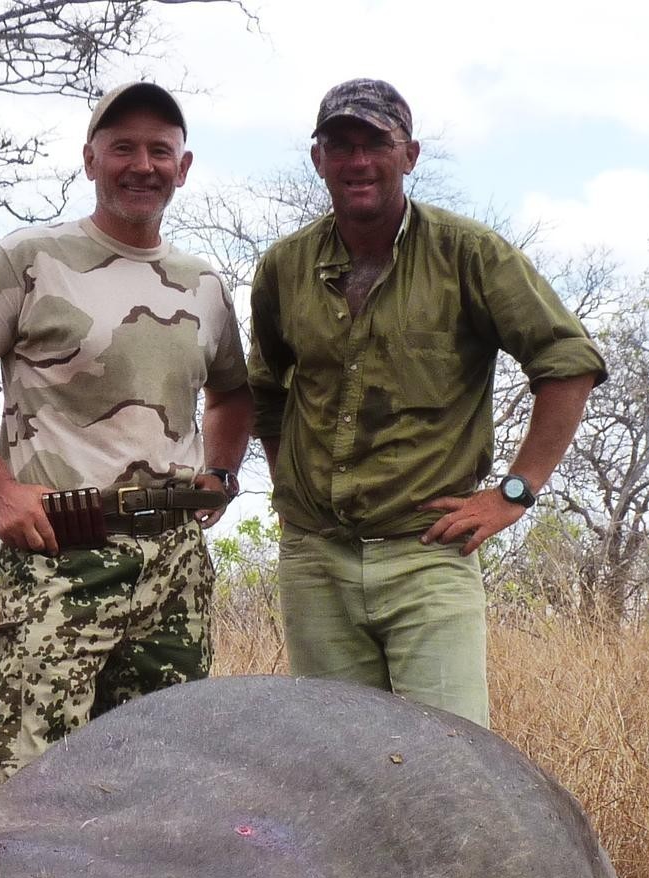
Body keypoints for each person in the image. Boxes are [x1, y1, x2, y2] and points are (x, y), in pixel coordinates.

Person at [0, 81, 254, 782]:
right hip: (63, 550)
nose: (143, 165)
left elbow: (231, 390)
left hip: (175, 562)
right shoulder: (32, 258)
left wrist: (220, 472)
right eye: (123, 147)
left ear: (183, 167)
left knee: (166, 778)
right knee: (37, 782)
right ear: (90, 159)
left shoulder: (204, 284)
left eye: (160, 150)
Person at [247, 78, 607, 727]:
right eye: (341, 145)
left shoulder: (470, 254)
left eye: (375, 143)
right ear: (318, 158)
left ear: (409, 154)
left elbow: (568, 362)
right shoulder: (284, 266)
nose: (358, 161)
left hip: (427, 554)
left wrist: (514, 494)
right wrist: (293, 490)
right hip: (315, 562)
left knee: (451, 765)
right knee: (339, 766)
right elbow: (266, 389)